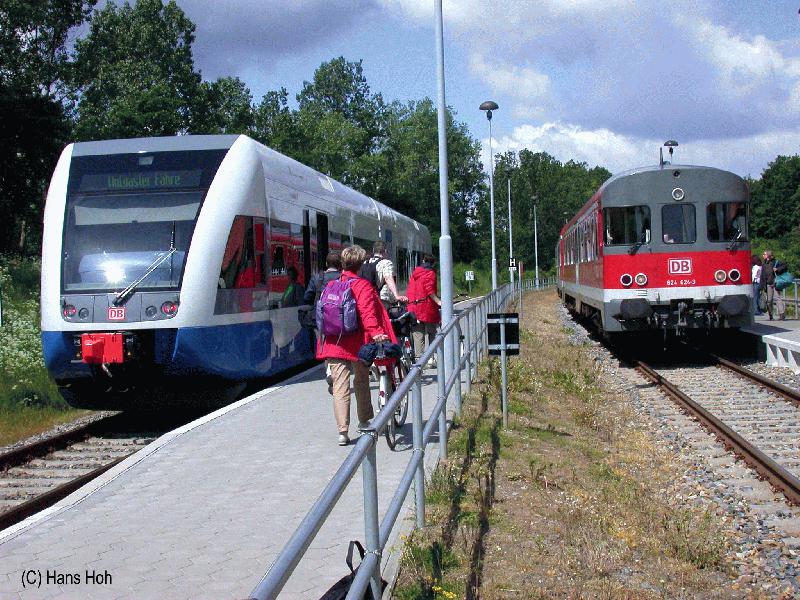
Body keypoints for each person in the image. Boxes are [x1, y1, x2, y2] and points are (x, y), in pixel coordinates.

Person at [317, 245, 397, 445]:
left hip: (334, 341)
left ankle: (342, 432)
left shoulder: (332, 285)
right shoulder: (362, 286)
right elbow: (368, 313)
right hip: (357, 344)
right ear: (361, 265)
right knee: (361, 381)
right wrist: (377, 333)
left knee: (339, 386)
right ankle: (364, 421)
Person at [406, 253, 441, 362]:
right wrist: (438, 301)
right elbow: (429, 290)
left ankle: (419, 359)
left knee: (418, 333)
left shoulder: (415, 273)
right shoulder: (430, 273)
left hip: (414, 307)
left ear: (423, 260)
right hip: (427, 308)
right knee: (431, 332)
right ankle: (431, 357)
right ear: (433, 262)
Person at [359, 241, 408, 307]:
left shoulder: (365, 262)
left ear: (373, 251)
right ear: (385, 251)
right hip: (381, 298)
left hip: (366, 297)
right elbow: (388, 278)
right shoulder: (386, 263)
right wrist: (396, 295)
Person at [760, 250, 785, 321]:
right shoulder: (764, 263)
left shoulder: (775, 262)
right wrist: (762, 286)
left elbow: (784, 266)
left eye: (764, 254)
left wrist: (777, 269)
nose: (763, 255)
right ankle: (771, 315)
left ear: (768, 255)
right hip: (768, 284)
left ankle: (782, 315)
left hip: (775, 283)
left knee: (777, 298)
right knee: (769, 300)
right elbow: (762, 275)